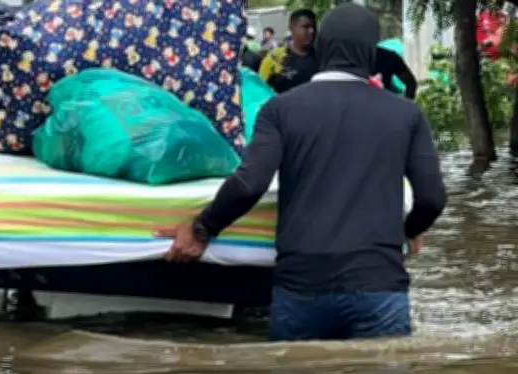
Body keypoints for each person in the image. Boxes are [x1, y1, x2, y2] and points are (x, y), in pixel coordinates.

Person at [154, 4, 447, 341]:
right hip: (377, 286)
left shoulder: (280, 109)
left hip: (301, 287)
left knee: (297, 369)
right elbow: (432, 198)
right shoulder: (406, 115)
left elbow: (249, 184)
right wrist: (409, 230)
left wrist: (201, 229)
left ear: (321, 48)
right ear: (371, 53)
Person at [257, 10, 319, 93]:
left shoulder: (321, 57)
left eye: (313, 27)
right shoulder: (275, 59)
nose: (312, 31)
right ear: (291, 29)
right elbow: (260, 90)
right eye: (306, 27)